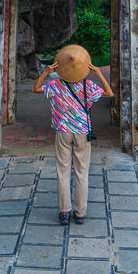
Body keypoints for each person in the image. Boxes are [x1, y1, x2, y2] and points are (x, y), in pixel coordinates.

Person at [31, 44, 112, 224]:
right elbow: (109, 92)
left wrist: (45, 73)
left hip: (63, 133)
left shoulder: (55, 85)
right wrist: (98, 73)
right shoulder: (88, 85)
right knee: (82, 173)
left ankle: (64, 212)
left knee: (63, 172)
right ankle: (80, 213)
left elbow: (35, 89)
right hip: (82, 133)